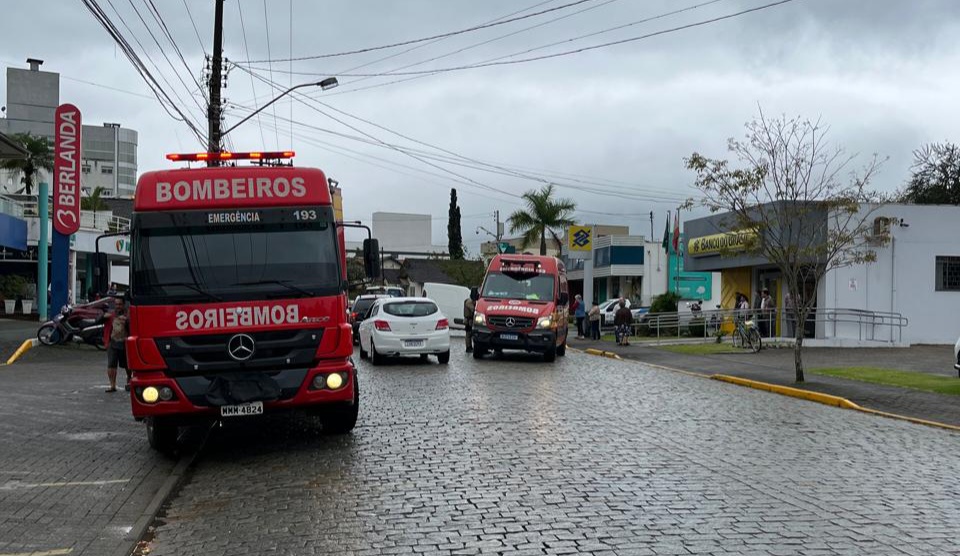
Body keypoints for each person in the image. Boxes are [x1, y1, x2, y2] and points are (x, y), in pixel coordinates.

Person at [104, 296, 129, 393]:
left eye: (120, 304)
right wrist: (102, 316)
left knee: (128, 365)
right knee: (111, 365)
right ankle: (112, 385)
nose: (118, 306)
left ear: (123, 305)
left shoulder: (128, 315)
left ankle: (129, 380)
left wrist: (126, 321)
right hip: (112, 342)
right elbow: (97, 320)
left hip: (125, 343)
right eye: (116, 304)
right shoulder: (110, 314)